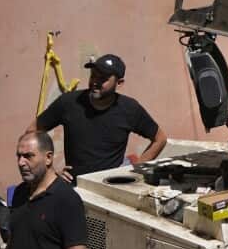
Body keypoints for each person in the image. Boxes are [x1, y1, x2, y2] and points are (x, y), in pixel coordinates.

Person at [28, 54, 167, 180]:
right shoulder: (69, 102)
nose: (95, 81)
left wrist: (135, 170)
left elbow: (160, 139)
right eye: (93, 75)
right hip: (76, 187)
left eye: (103, 78)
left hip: (111, 187)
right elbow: (31, 132)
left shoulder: (129, 109)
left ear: (119, 83)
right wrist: (49, 169)